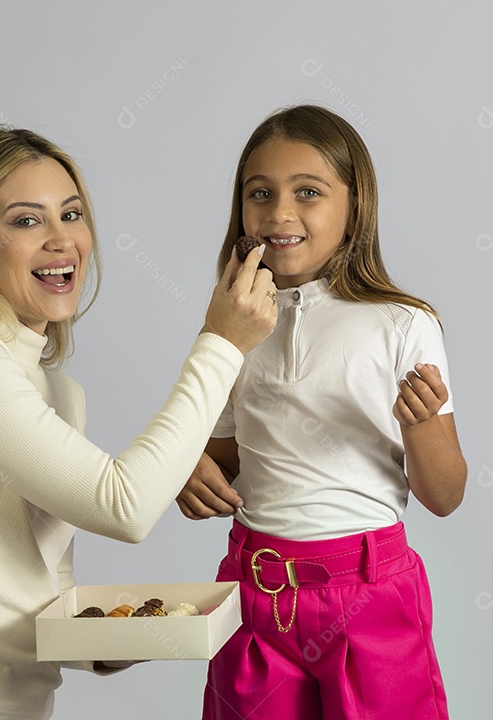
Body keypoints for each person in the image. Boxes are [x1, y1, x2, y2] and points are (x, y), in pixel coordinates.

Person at [0, 126, 277, 720]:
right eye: (26, 221)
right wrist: (222, 344)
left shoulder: (59, 392)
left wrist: (102, 643)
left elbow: (39, 586)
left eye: (72, 213)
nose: (62, 240)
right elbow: (124, 504)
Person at [176, 105, 467, 720]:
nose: (280, 212)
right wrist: (190, 466)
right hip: (255, 596)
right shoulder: (236, 321)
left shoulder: (403, 324)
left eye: (308, 192)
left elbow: (443, 494)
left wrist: (419, 427)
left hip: (372, 600)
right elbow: (227, 453)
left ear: (354, 207)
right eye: (261, 193)